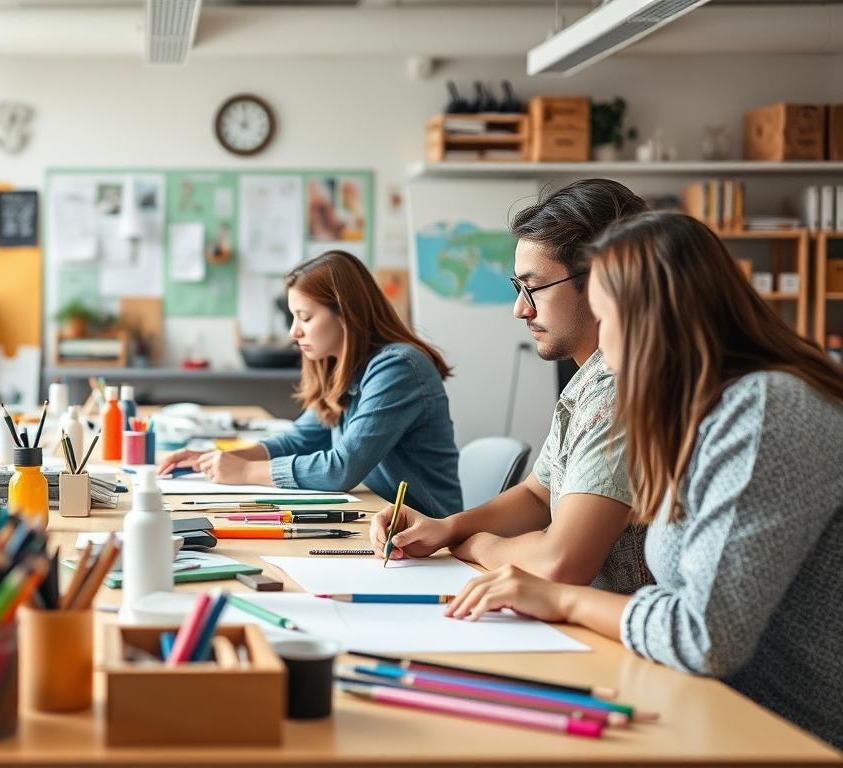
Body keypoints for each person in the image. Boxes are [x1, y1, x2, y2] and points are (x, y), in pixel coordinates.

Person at [442, 211, 843, 748]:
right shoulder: (706, 412)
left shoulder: (763, 408)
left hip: (783, 730)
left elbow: (705, 635)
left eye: (607, 322)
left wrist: (560, 600)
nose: (601, 349)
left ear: (657, 320)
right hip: (709, 704)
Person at [370, 178, 652, 593]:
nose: (520, 309)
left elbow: (561, 564)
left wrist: (480, 545)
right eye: (518, 289)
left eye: (533, 288)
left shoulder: (617, 391)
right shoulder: (588, 383)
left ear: (600, 283)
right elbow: (538, 497)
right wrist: (447, 529)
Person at [158, 250, 462, 517]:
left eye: (304, 317)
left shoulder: (397, 368)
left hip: (429, 537)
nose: (294, 332)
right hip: (379, 520)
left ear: (345, 314)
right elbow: (297, 441)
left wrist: (246, 471)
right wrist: (218, 458)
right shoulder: (343, 367)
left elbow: (341, 469)